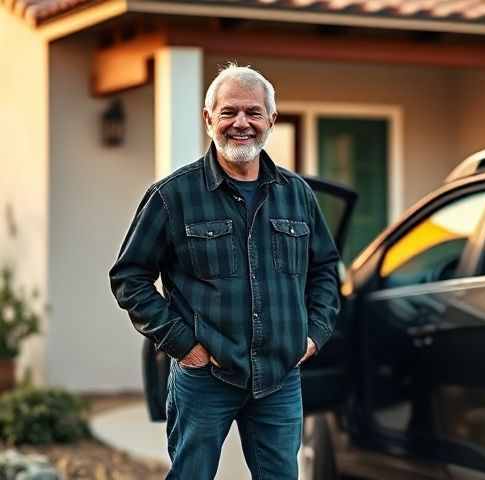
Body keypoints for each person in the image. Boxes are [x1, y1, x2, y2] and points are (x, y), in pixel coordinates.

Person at [109, 63, 340, 479]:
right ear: (208, 118)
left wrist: (314, 334)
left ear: (271, 118)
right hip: (204, 378)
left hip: (279, 378)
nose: (241, 123)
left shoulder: (297, 195)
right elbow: (129, 278)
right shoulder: (172, 196)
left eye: (253, 113)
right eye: (229, 111)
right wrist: (184, 346)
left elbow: (324, 268)